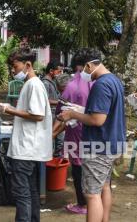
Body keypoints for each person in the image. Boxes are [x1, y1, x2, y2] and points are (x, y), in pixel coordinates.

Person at [58, 48, 126, 222]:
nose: (81, 76)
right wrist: (82, 110)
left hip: (99, 145)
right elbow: (103, 113)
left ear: (89, 66)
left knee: (91, 194)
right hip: (111, 142)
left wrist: (72, 114)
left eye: (81, 71)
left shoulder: (101, 84)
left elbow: (97, 119)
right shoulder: (114, 80)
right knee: (104, 187)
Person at [0, 48, 53, 222]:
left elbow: (37, 115)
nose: (12, 70)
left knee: (22, 192)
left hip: (27, 148)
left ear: (28, 64)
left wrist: (8, 109)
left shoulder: (34, 85)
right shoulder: (31, 84)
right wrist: (6, 108)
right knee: (30, 190)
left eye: (15, 66)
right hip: (28, 147)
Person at [53, 51, 92, 215]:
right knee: (93, 168)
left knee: (77, 167)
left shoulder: (73, 85)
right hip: (95, 131)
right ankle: (94, 202)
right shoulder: (97, 81)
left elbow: (60, 115)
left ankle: (82, 204)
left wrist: (52, 134)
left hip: (76, 132)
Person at [42, 60, 64, 157]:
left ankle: (56, 161)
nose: (60, 74)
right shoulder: (45, 83)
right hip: (51, 114)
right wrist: (60, 102)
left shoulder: (53, 82)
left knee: (59, 140)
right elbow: (45, 100)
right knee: (53, 140)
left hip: (56, 115)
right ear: (51, 71)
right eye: (59, 71)